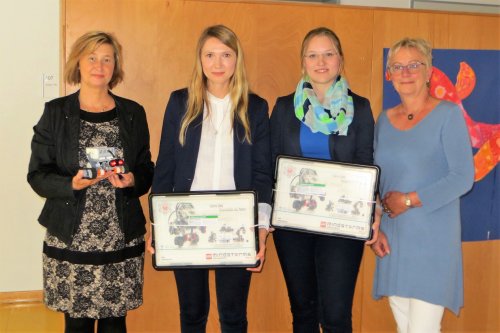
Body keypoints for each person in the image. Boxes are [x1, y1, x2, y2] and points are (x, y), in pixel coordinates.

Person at [27, 31, 154, 333]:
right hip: (72, 237)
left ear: (115, 66)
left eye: (107, 59)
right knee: (77, 324)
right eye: (92, 57)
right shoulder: (56, 113)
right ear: (79, 63)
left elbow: (146, 169)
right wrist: (70, 184)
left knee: (115, 324)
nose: (99, 65)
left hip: (119, 236)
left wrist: (133, 179)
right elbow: (37, 175)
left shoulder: (133, 113)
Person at [150, 25, 272, 332]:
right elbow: (164, 166)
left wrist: (262, 230)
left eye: (226, 55)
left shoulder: (255, 107)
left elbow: (261, 173)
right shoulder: (180, 102)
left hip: (236, 223)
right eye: (210, 55)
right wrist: (155, 225)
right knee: (192, 313)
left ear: (236, 59)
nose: (218, 64)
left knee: (232, 315)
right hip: (186, 220)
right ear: (200, 59)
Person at [270, 27, 377, 333]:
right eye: (313, 55)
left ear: (340, 60)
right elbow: (271, 164)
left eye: (328, 53)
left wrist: (372, 212)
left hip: (342, 224)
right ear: (303, 62)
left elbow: (366, 164)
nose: (321, 61)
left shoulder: (361, 108)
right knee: (303, 312)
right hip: (293, 225)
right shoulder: (282, 108)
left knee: (335, 315)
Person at [371, 37, 474, 333]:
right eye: (398, 66)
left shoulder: (448, 115)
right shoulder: (384, 120)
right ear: (389, 75)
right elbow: (378, 179)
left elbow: (462, 177)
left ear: (428, 71)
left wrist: (408, 200)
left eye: (413, 65)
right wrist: (376, 222)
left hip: (432, 242)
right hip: (393, 240)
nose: (405, 72)